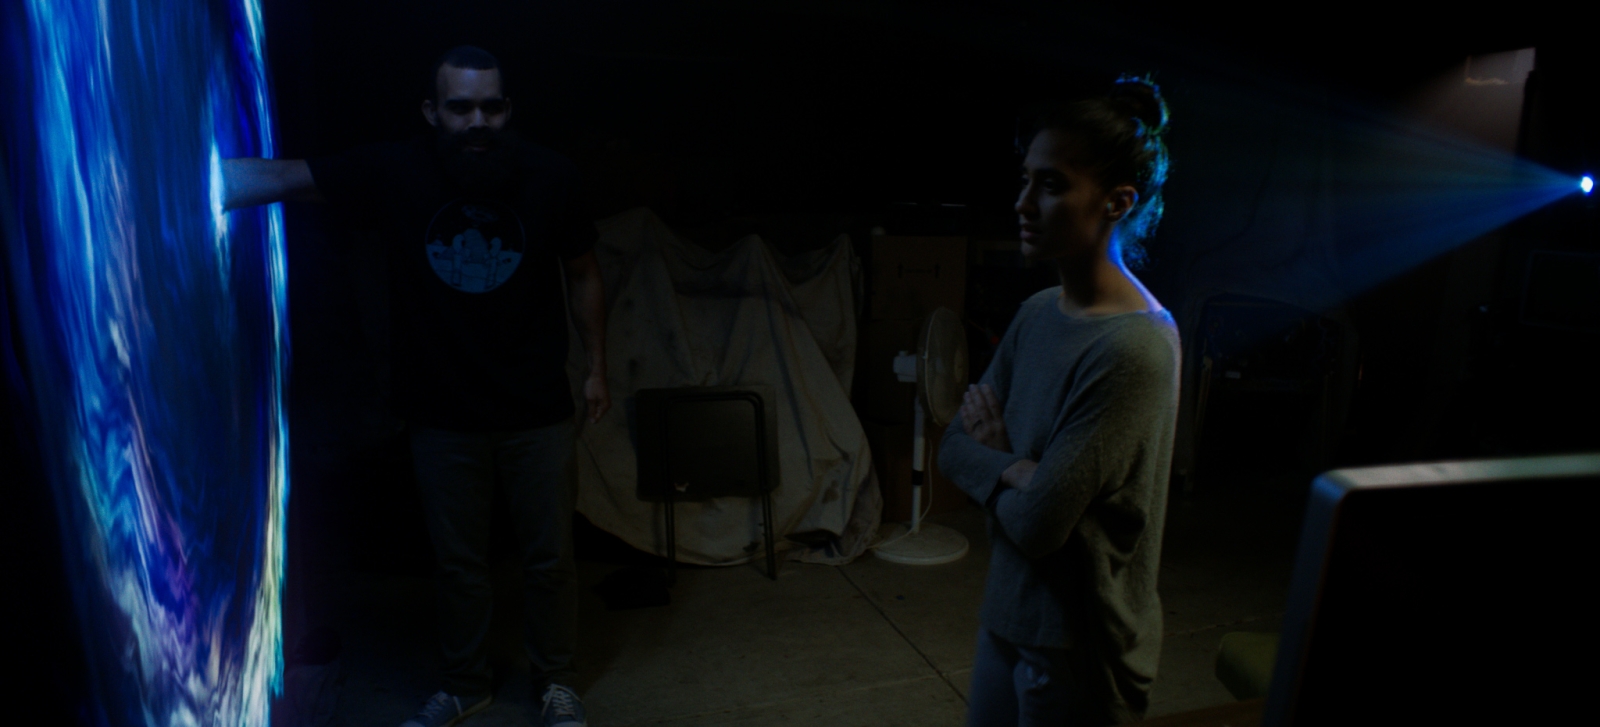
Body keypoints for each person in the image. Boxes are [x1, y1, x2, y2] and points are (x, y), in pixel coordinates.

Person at [221, 45, 607, 727]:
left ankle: (556, 681)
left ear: (507, 108)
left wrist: (598, 366)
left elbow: (582, 273)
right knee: (458, 563)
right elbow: (286, 176)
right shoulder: (396, 170)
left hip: (536, 408)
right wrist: (162, 183)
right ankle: (465, 683)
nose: (478, 121)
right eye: (461, 107)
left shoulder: (552, 176)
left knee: (550, 558)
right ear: (432, 111)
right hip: (440, 412)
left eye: (491, 106)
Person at [937, 76, 1181, 726]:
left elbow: (1039, 525)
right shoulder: (1037, 312)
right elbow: (951, 447)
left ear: (1117, 202)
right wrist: (1016, 467)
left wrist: (995, 462)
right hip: (1009, 611)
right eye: (1025, 180)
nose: (1022, 203)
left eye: (1050, 185)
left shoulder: (1135, 348)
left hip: (1078, 644)